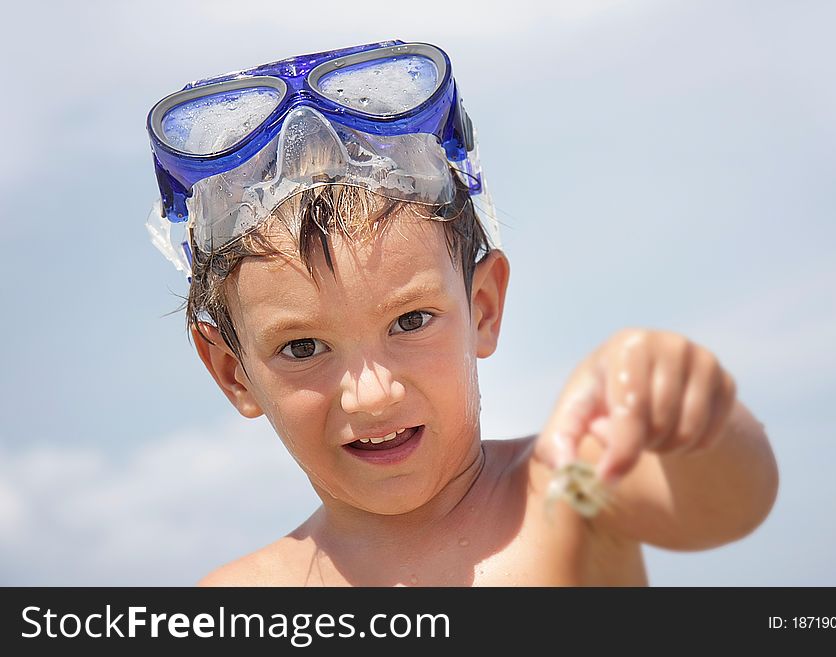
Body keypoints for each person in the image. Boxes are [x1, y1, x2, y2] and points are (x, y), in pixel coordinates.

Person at [145, 40, 778, 586]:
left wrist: (697, 415)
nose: (371, 395)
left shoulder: (568, 496)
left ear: (482, 308)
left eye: (411, 321)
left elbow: (732, 498)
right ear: (232, 373)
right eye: (304, 348)